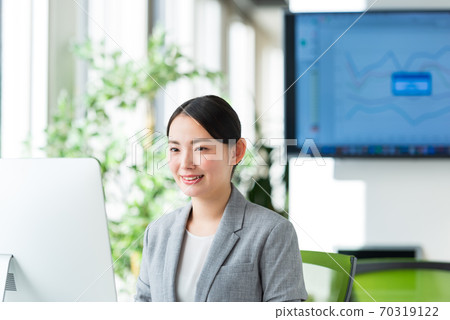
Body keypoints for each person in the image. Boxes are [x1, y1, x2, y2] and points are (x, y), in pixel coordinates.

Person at [135, 95, 307, 302]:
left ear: (237, 151)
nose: (185, 163)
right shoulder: (157, 233)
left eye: (202, 148)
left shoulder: (272, 232)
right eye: (175, 149)